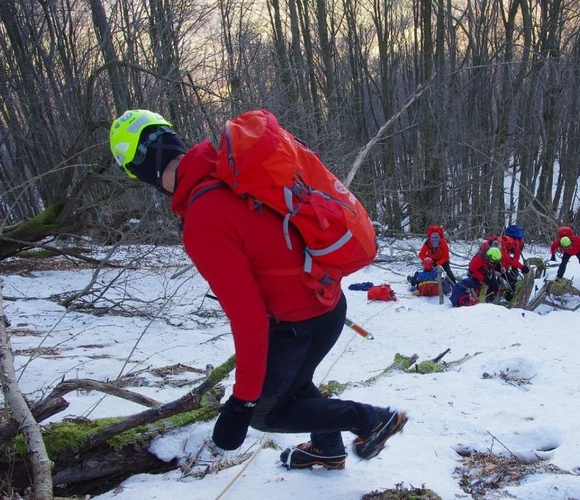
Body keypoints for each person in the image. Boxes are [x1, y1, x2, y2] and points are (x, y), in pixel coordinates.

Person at [109, 109, 406, 471]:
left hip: (298, 326)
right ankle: (327, 447)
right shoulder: (230, 168)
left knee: (266, 414)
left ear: (141, 171)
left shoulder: (203, 218)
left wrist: (242, 403)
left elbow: (249, 320)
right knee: (295, 383)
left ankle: (370, 419)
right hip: (329, 304)